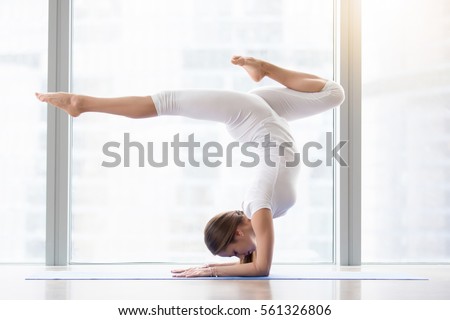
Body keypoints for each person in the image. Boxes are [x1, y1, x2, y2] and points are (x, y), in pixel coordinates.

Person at [36, 56, 345, 277]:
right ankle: (263, 68)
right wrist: (214, 268)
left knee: (167, 102)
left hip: (250, 116)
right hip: (266, 118)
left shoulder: (259, 209)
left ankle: (82, 103)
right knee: (333, 93)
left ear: (238, 231)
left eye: (234, 252)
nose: (241, 257)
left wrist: (211, 270)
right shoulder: (259, 212)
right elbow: (259, 268)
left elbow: (260, 269)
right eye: (235, 257)